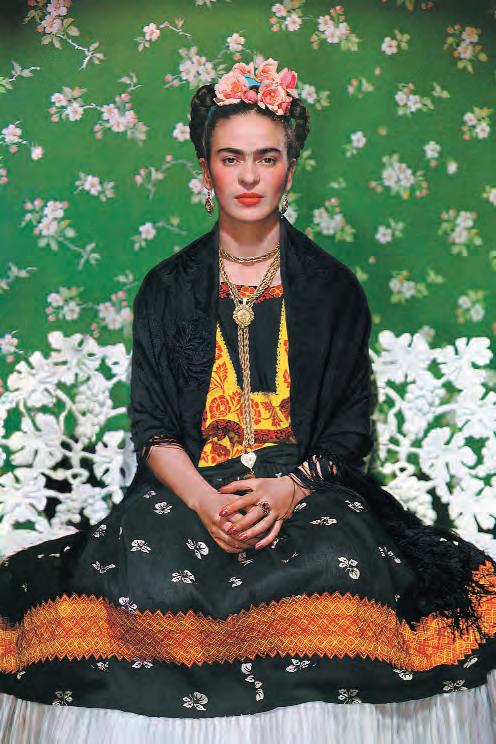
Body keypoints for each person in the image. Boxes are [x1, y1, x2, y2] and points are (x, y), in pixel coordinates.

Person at [0, 57, 495, 744]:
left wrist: (287, 492)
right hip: (188, 489)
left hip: (305, 487)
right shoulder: (167, 286)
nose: (250, 176)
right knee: (146, 580)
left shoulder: (331, 288)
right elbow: (152, 427)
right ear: (206, 171)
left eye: (267, 158)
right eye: (231, 158)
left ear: (291, 168)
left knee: (335, 578)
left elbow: (349, 430)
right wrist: (206, 503)